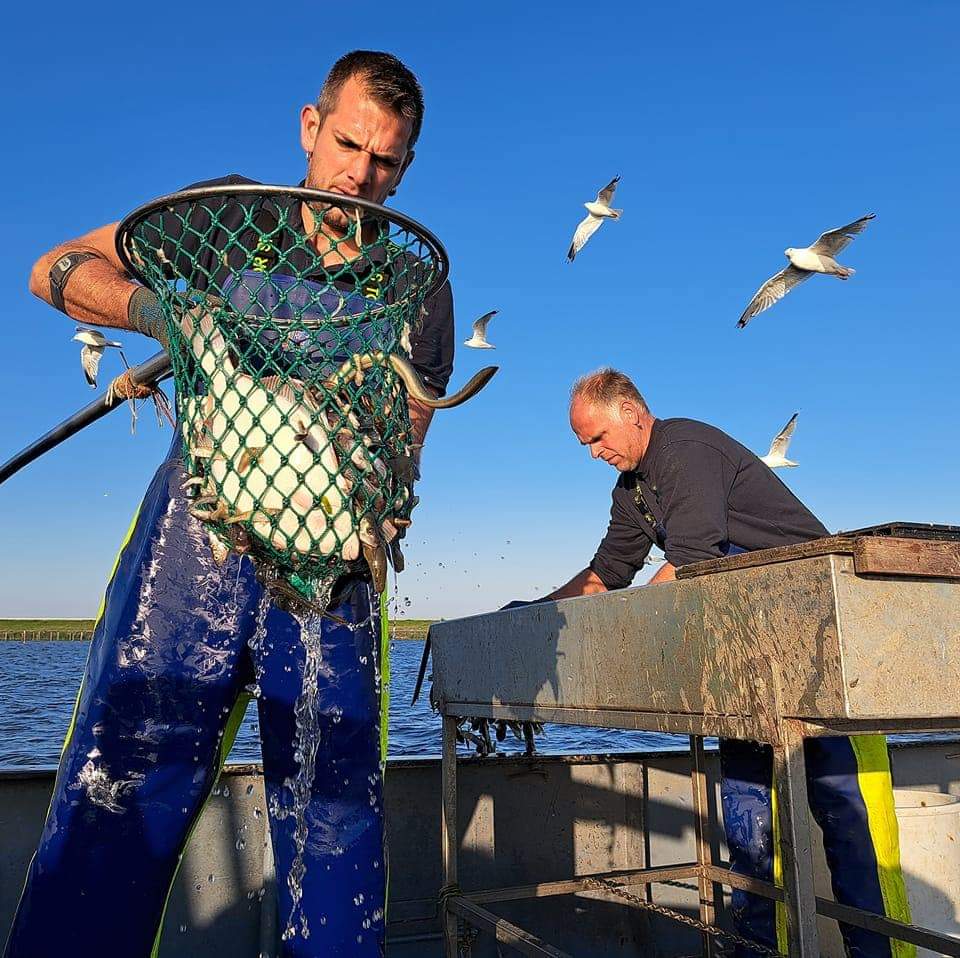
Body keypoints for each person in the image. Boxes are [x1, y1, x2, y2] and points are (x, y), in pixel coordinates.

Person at [5, 51, 452, 958]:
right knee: (121, 782)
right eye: (347, 144)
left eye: (385, 163)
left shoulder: (420, 286)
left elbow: (410, 433)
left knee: (335, 825)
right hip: (196, 537)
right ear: (309, 128)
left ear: (406, 169)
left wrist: (391, 502)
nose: (358, 176)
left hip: (332, 567)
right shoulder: (229, 217)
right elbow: (57, 266)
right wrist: (160, 314)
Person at [538, 368, 913, 958]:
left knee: (837, 807)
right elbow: (607, 574)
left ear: (632, 411)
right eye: (585, 444)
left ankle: (871, 950)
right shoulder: (630, 491)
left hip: (807, 635)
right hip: (742, 652)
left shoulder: (685, 451)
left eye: (598, 437)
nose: (595, 453)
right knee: (744, 815)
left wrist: (629, 632)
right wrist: (537, 612)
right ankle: (756, 951)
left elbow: (688, 563)